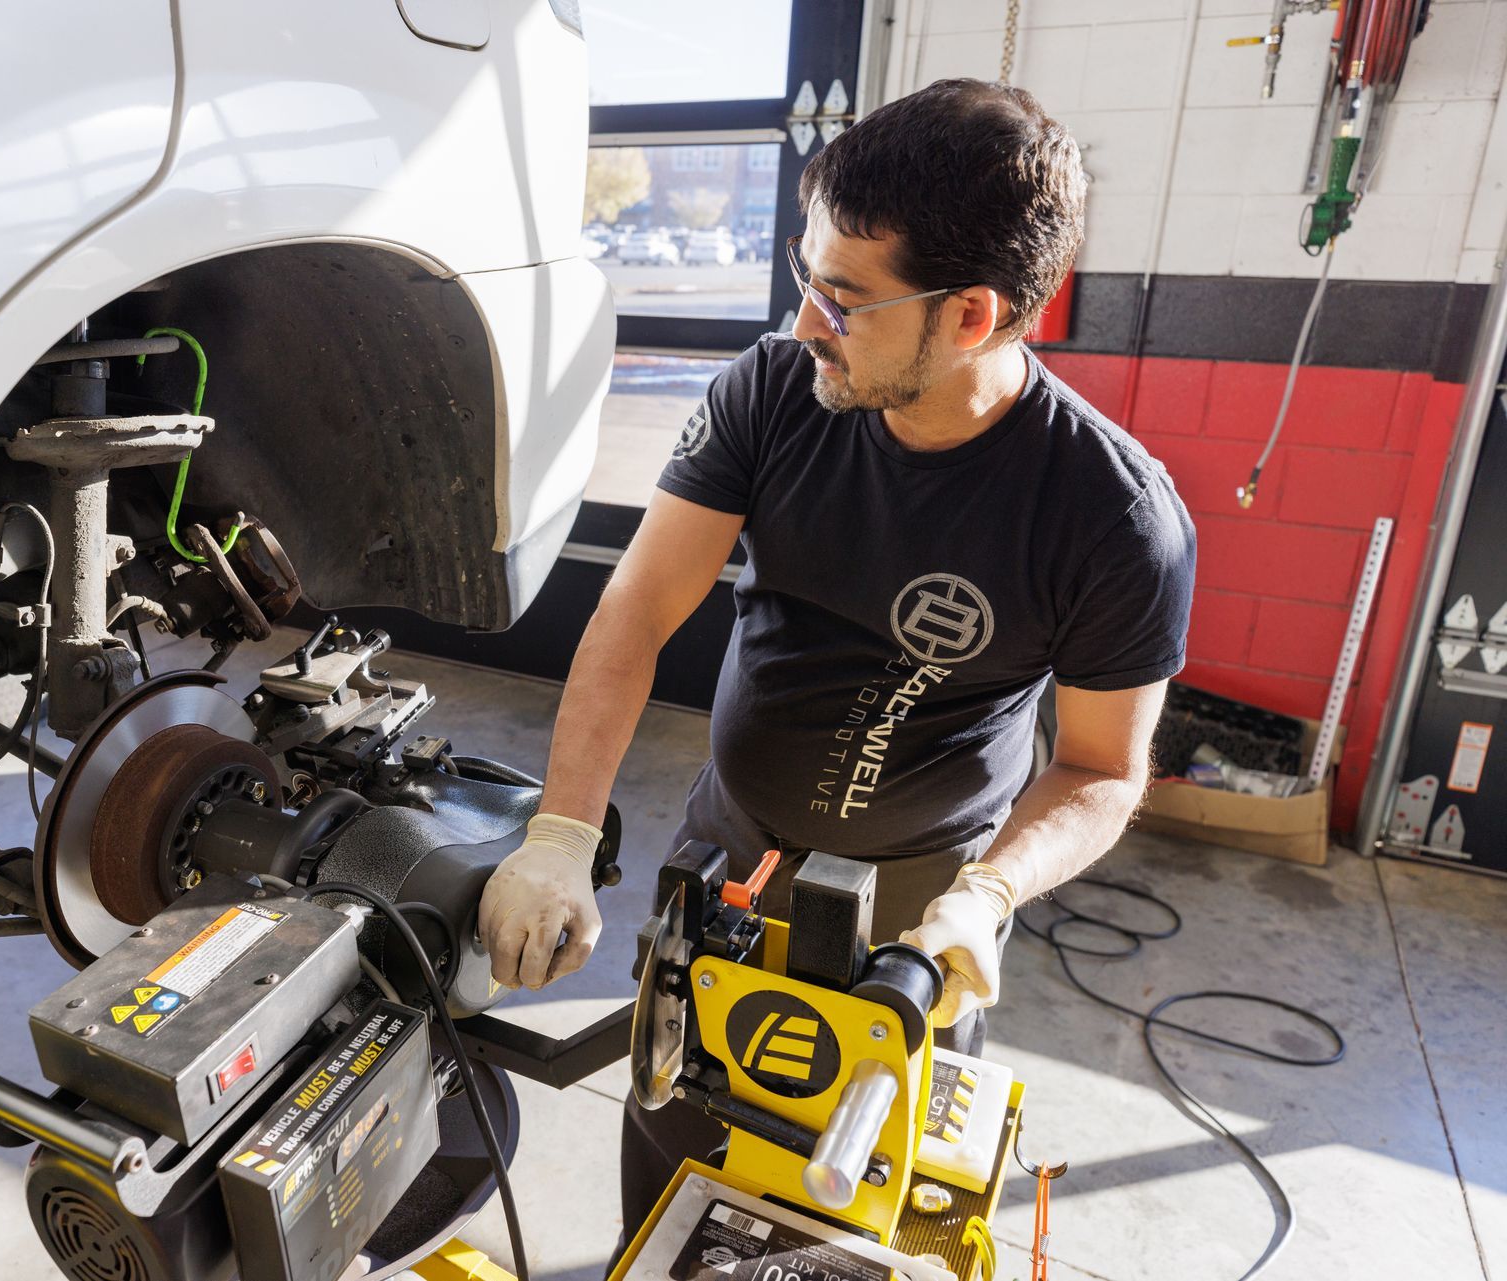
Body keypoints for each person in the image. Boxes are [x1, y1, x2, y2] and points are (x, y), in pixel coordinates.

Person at [475, 78, 1196, 1235]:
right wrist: (562, 834)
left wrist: (988, 899)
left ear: (972, 315)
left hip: (923, 913)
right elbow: (637, 611)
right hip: (726, 858)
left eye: (847, 299)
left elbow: (1104, 768)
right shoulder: (772, 392)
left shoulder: (1114, 521)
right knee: (667, 1174)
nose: (807, 320)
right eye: (809, 279)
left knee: (841, 1221)